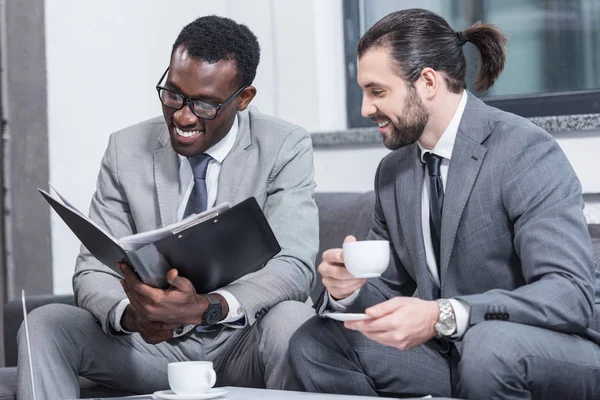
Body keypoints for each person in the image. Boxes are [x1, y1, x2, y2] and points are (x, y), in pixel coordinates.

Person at [290, 8, 600, 399]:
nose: (366, 108)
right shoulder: (394, 172)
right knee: (317, 341)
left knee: (489, 347)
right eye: (364, 93)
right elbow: (387, 296)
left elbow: (568, 294)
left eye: (377, 91)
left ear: (428, 82)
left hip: (545, 349)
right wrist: (348, 291)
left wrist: (444, 314)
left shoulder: (524, 150)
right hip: (450, 356)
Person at [18, 15, 318, 399]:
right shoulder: (124, 149)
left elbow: (294, 265)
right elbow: (93, 269)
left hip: (243, 341)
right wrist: (134, 316)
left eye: (205, 104)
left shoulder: (284, 146)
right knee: (44, 324)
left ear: (243, 98)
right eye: (174, 94)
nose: (183, 116)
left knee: (294, 321)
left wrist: (206, 307)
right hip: (151, 346)